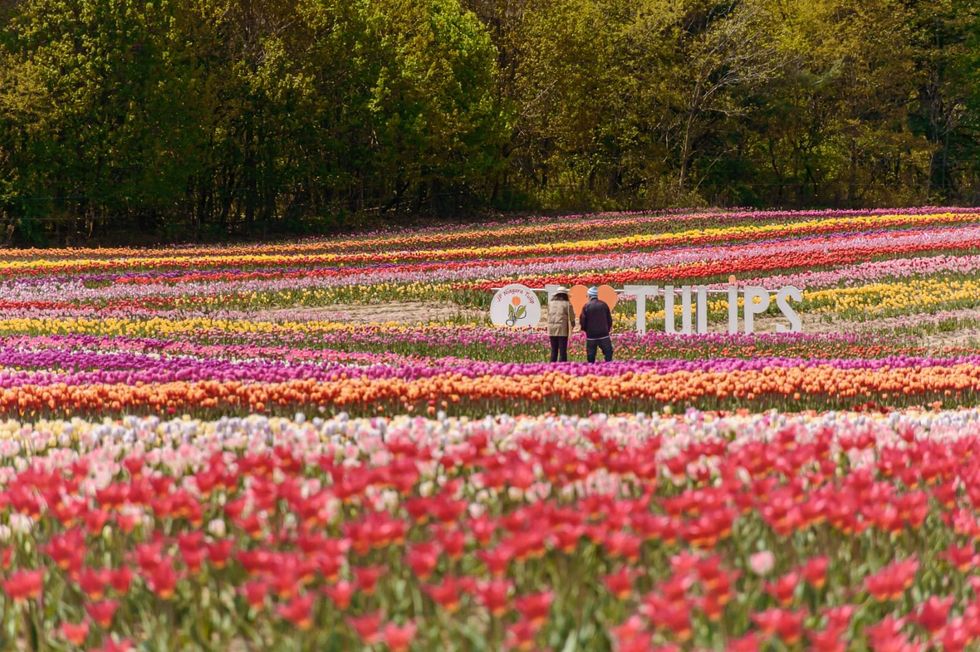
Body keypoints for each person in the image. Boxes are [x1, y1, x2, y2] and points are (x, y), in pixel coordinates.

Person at [580, 286, 613, 362]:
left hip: (591, 335)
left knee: (591, 355)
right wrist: (607, 329)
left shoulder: (586, 306)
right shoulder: (604, 305)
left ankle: (592, 370)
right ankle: (609, 368)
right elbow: (609, 319)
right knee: (608, 353)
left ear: (590, 296)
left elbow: (583, 321)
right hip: (604, 334)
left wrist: (585, 330)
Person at [546, 287, 576, 362]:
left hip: (551, 328)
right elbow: (572, 316)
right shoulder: (567, 304)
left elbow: (548, 315)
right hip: (562, 329)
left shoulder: (550, 303)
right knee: (562, 350)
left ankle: (552, 366)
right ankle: (563, 366)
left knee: (554, 349)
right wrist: (573, 324)